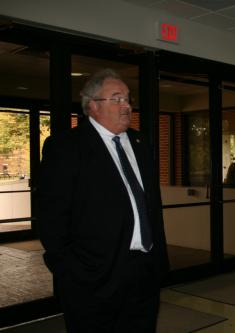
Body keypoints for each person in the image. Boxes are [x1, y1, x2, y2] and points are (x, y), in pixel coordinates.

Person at [37, 68, 168, 332]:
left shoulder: (141, 144)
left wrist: (158, 264)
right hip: (92, 278)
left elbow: (151, 208)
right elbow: (51, 217)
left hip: (144, 272)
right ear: (93, 105)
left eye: (128, 99)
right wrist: (71, 271)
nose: (127, 106)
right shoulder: (66, 146)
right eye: (117, 98)